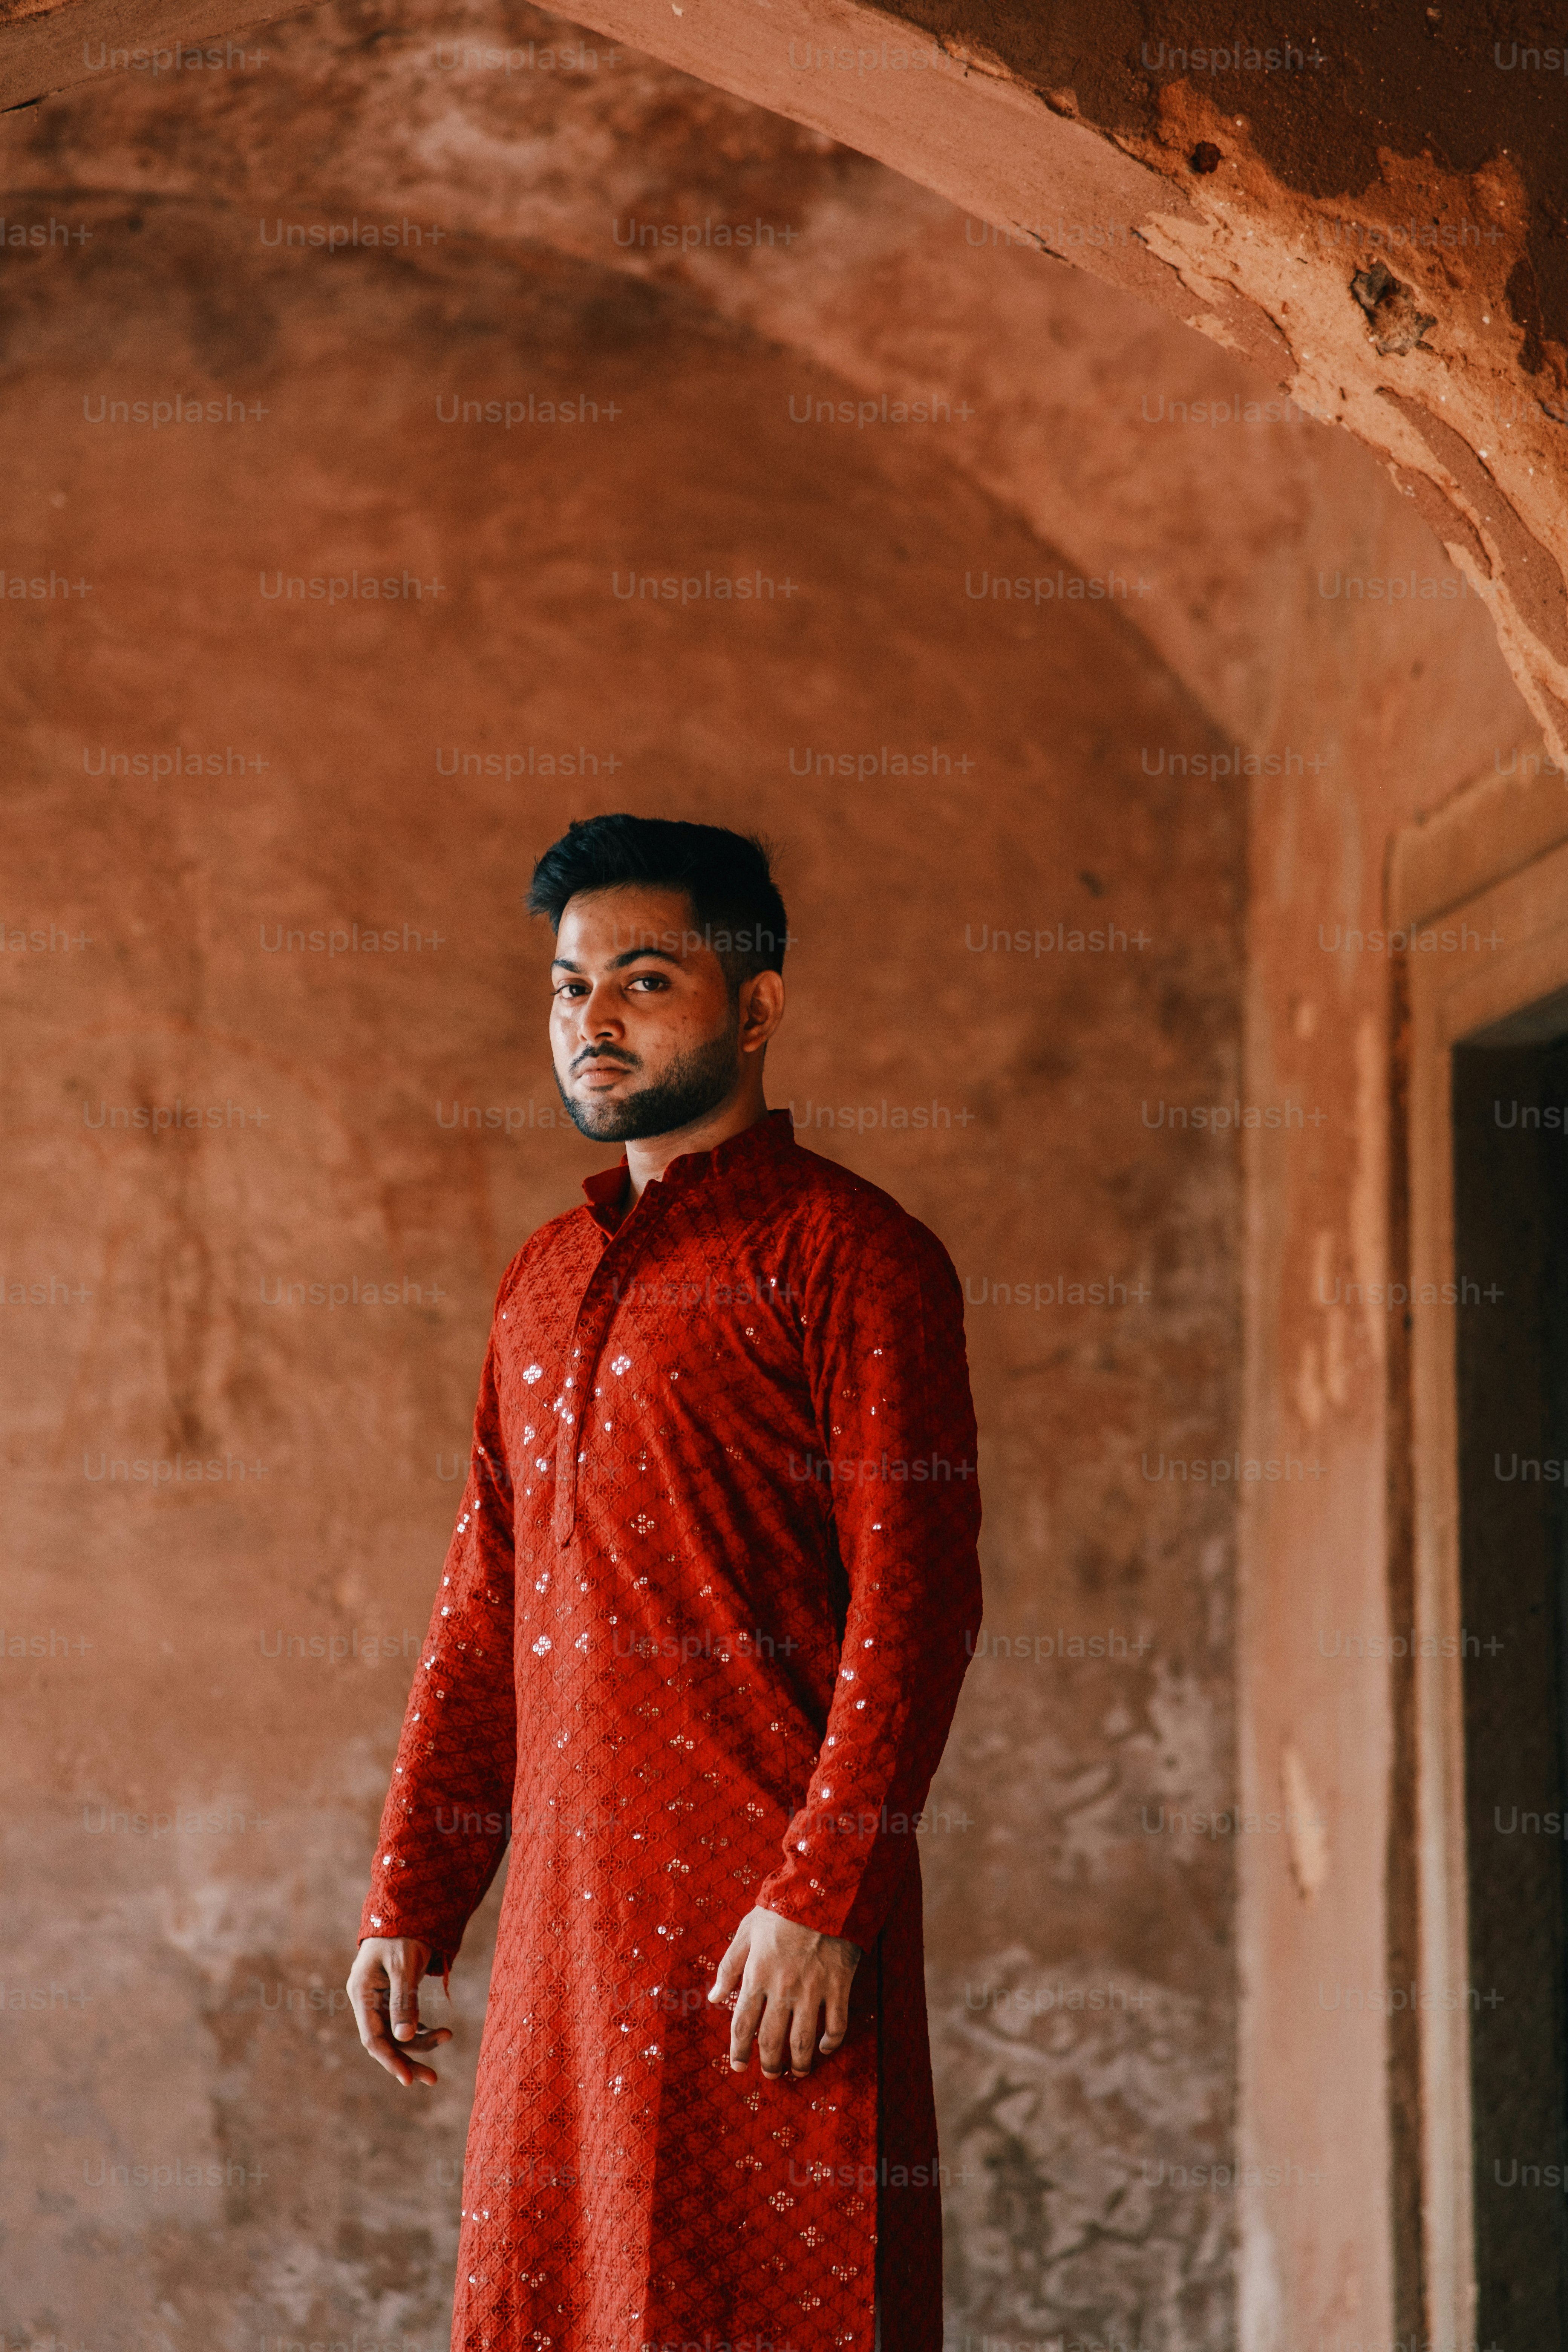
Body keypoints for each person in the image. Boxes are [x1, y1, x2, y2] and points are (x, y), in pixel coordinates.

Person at [348, 815, 982, 2352]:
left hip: (761, 1954)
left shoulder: (848, 1258)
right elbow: (482, 1610)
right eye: (569, 987)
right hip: (564, 1952)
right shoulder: (540, 1285)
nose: (594, 1019)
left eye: (643, 978)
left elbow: (917, 1602)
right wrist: (413, 1892)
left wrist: (822, 1898)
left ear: (754, 1010)